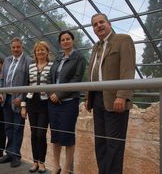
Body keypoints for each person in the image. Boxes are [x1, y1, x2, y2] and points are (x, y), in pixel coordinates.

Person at [85, 13, 135, 174]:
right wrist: (88, 96)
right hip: (98, 99)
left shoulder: (123, 40)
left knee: (114, 145)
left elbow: (127, 70)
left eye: (101, 22)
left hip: (115, 99)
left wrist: (122, 95)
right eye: (95, 24)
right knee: (100, 142)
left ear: (109, 23)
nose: (98, 26)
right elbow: (92, 72)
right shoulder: (96, 46)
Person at [47, 31, 86, 174]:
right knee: (55, 135)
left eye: (68, 39)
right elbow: (49, 78)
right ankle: (56, 165)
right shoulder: (58, 58)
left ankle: (66, 169)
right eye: (62, 40)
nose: (65, 41)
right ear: (60, 43)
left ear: (73, 40)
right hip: (53, 103)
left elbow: (76, 79)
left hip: (69, 102)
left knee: (67, 136)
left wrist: (59, 94)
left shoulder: (79, 58)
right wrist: (51, 93)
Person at [0, 37, 32, 168]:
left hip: (18, 101)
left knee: (18, 129)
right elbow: (1, 79)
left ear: (22, 47)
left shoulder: (28, 61)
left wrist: (22, 98)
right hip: (6, 100)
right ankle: (9, 153)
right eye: (13, 47)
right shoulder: (6, 60)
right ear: (11, 48)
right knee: (8, 128)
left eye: (18, 47)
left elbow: (29, 83)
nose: (16, 49)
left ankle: (16, 155)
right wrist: (0, 92)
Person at [20, 41, 52, 173]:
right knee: (34, 133)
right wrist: (23, 106)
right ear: (35, 53)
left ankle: (42, 162)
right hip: (32, 102)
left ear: (47, 51)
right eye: (38, 50)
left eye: (42, 50)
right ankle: (35, 162)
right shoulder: (31, 66)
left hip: (45, 103)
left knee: (41, 133)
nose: (40, 52)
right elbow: (25, 86)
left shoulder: (52, 66)